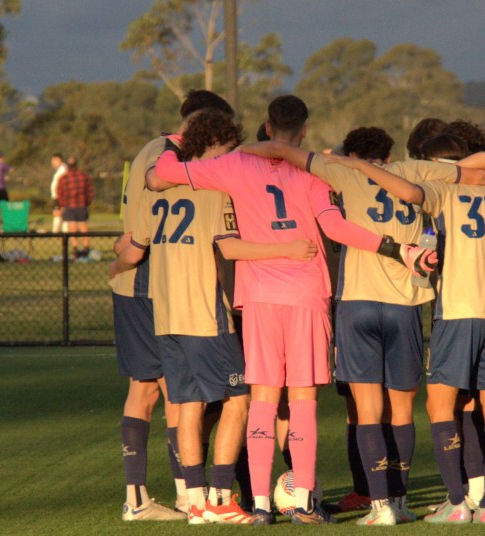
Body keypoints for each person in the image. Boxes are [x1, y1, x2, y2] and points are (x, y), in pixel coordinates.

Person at [150, 95, 436, 525]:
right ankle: (303, 499)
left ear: (266, 125)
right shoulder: (311, 171)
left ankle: (262, 504)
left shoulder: (232, 165)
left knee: (263, 400)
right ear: (303, 130)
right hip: (307, 295)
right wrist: (397, 249)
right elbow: (337, 227)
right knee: (303, 401)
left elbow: (163, 174)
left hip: (260, 296)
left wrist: (181, 141)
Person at [239, 126, 466, 525]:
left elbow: (284, 152)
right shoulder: (413, 171)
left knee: (365, 409)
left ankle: (378, 506)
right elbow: (468, 171)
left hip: (358, 304)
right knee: (401, 409)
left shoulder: (342, 172)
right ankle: (399, 500)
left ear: (352, 152)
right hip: (406, 303)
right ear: (389, 151)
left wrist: (233, 153)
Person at [321, 149, 485, 525]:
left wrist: (362, 166)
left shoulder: (444, 192)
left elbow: (412, 194)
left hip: (457, 310)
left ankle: (456, 502)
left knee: (439, 406)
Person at [112, 109, 318, 525]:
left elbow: (132, 250)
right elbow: (231, 249)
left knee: (185, 403)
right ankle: (222, 498)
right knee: (239, 401)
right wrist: (289, 249)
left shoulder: (160, 191)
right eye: (229, 148)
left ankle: (196, 501)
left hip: (165, 317)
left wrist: (114, 269)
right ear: (218, 146)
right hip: (207, 316)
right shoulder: (216, 192)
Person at [106, 89, 235, 523]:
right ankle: (188, 494)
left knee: (146, 391)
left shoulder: (150, 149)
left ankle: (138, 497)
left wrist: (116, 260)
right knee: (180, 392)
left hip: (133, 282)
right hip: (154, 284)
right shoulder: (177, 164)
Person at [56, 157, 94, 258]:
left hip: (69, 206)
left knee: (71, 227)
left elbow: (60, 193)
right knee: (83, 226)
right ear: (77, 165)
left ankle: (75, 247)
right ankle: (86, 246)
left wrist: (62, 205)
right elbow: (90, 191)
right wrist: (87, 202)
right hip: (81, 205)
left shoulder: (64, 177)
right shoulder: (83, 176)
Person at [49, 153, 68, 233]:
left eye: (53, 160)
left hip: (60, 195)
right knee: (58, 212)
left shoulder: (63, 169)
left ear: (58, 160)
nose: (52, 163)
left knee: (59, 212)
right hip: (57, 195)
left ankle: (59, 231)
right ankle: (59, 231)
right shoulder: (60, 169)